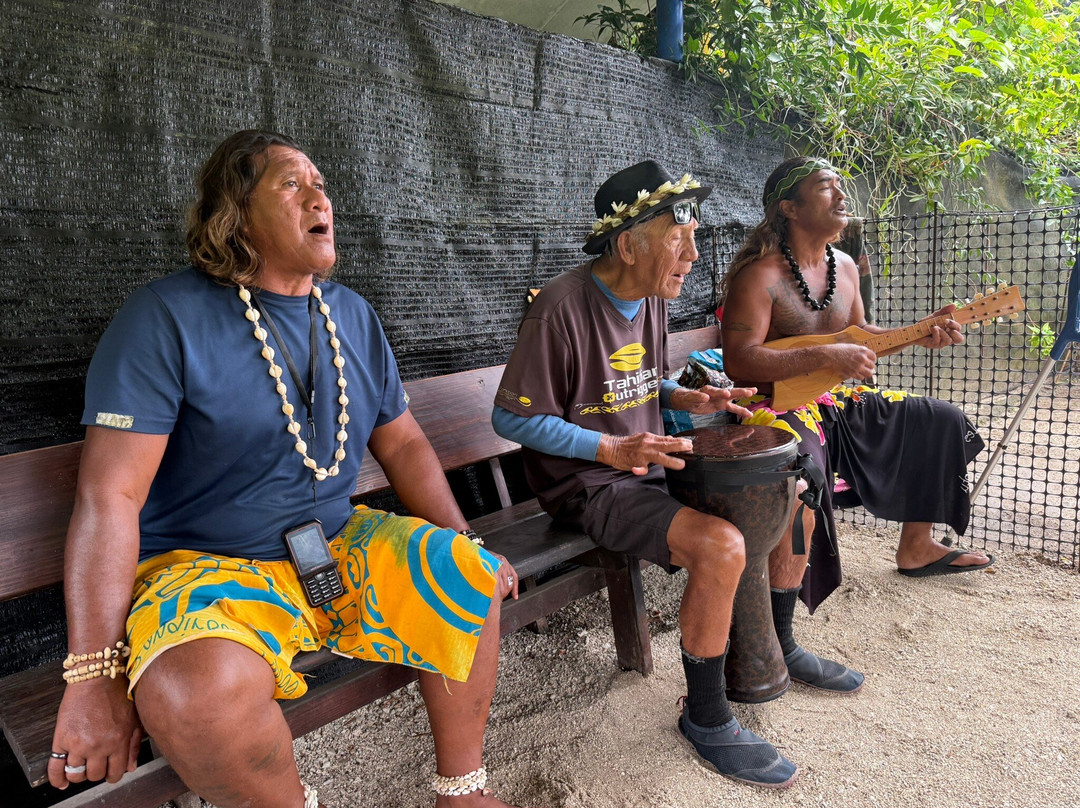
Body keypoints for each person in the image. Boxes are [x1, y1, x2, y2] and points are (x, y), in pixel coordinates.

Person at [47, 130, 526, 808]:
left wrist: (467, 538)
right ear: (235, 215)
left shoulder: (350, 314)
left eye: (321, 185)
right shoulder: (163, 318)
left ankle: (463, 791)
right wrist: (93, 675)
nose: (319, 198)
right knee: (195, 692)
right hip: (205, 568)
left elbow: (405, 446)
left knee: (466, 576)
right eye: (291, 184)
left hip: (337, 545)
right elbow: (109, 497)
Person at [492, 161, 800, 789]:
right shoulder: (559, 307)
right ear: (628, 245)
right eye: (677, 237)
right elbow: (510, 418)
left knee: (788, 492)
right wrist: (608, 448)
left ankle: (776, 650)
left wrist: (688, 398)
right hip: (587, 484)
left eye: (693, 235)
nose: (693, 253)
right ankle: (706, 715)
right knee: (721, 546)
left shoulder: (652, 298)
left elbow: (643, 380)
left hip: (644, 461)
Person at [720, 156, 992, 641]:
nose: (843, 195)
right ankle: (780, 633)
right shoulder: (758, 276)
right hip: (772, 409)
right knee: (801, 474)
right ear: (789, 207)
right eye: (827, 187)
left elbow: (861, 336)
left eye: (840, 185)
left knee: (939, 418)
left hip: (831, 400)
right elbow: (739, 361)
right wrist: (828, 354)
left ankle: (917, 546)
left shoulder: (844, 265)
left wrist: (921, 332)